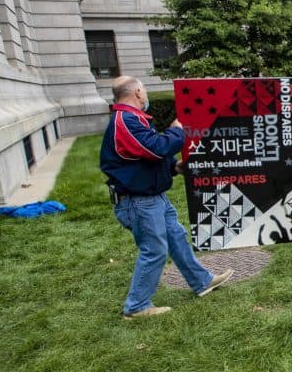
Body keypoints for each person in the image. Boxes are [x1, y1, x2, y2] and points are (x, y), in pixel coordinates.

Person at [100, 76, 233, 319]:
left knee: (176, 237)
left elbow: (143, 159)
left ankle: (202, 281)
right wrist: (176, 133)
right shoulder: (125, 120)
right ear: (138, 92)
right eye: (145, 90)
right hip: (138, 201)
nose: (146, 95)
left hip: (152, 196)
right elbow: (155, 148)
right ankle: (137, 306)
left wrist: (174, 168)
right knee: (154, 250)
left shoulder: (132, 119)